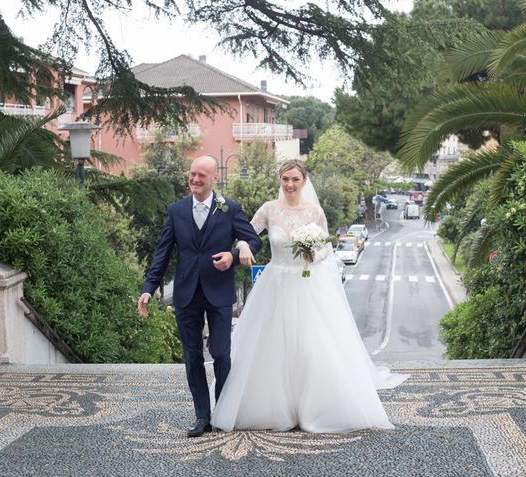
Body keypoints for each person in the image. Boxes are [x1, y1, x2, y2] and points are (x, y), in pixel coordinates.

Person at [211, 159, 408, 433]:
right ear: (279, 180)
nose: (290, 184)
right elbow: (245, 233)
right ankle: (273, 409)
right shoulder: (269, 209)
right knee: (270, 345)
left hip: (307, 283)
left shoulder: (314, 212)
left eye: (295, 179)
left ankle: (314, 408)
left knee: (310, 346)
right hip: (276, 282)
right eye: (285, 179)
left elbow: (327, 248)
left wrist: (314, 254)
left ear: (304, 181)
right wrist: (242, 247)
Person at [137, 155, 261, 438]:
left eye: (201, 176)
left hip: (218, 292)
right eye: (192, 174)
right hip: (186, 293)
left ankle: (223, 411)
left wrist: (233, 254)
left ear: (214, 178)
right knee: (192, 356)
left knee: (220, 353)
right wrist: (147, 288)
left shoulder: (230, 209)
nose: (194, 180)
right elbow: (162, 253)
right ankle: (202, 416)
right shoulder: (176, 211)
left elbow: (255, 241)